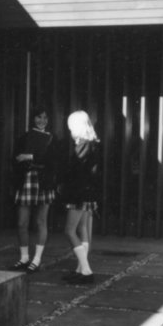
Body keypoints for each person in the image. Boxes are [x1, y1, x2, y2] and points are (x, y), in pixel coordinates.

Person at [10, 105, 58, 272]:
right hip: (27, 180)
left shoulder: (53, 138)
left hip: (44, 182)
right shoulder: (24, 137)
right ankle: (24, 258)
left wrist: (29, 156)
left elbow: (52, 161)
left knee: (41, 221)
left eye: (45, 118)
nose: (42, 121)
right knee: (22, 222)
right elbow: (15, 158)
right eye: (38, 117)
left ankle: (36, 259)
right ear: (33, 118)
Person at [59, 110, 101, 285]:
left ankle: (86, 270)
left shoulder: (82, 145)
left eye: (71, 126)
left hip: (78, 195)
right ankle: (80, 269)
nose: (70, 130)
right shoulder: (92, 144)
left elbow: (77, 174)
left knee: (69, 230)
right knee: (83, 229)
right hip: (87, 193)